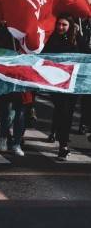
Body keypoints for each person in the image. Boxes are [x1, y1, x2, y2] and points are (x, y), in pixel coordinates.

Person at [43, 15, 80, 161]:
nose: (60, 27)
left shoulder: (78, 39)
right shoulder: (53, 39)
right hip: (57, 82)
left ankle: (59, 136)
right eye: (58, 24)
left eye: (64, 25)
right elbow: (45, 56)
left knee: (67, 112)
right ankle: (63, 145)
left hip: (73, 83)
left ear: (70, 26)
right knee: (62, 110)